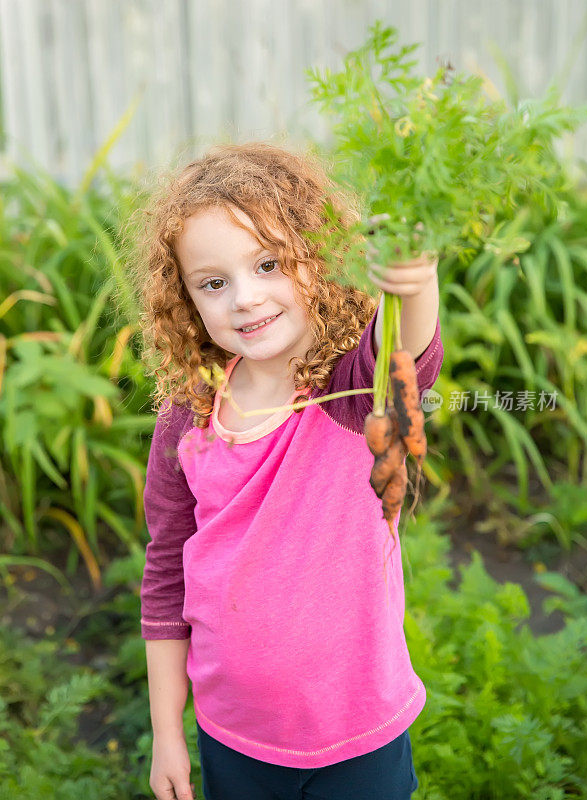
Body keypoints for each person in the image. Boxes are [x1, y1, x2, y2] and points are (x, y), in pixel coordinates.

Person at [133, 141, 443, 800]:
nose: (245, 299)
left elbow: (407, 353)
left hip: (361, 733)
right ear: (186, 298)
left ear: (318, 257)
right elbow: (165, 574)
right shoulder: (188, 416)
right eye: (213, 282)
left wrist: (415, 283)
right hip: (232, 733)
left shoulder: (350, 390)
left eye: (269, 263)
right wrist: (167, 731)